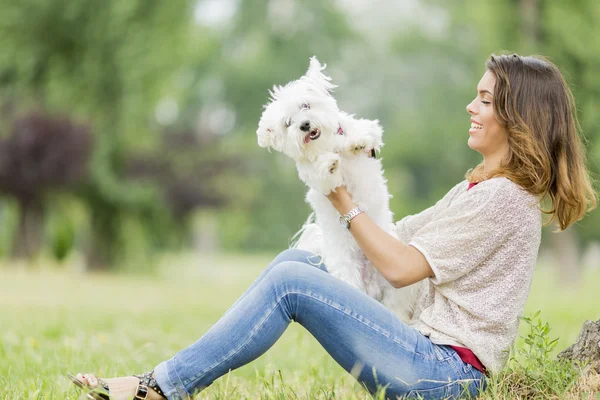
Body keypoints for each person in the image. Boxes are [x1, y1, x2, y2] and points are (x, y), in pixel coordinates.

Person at [70, 54, 597, 400]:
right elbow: (399, 232)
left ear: (518, 116)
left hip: (443, 376)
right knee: (300, 263)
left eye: (484, 100)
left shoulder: (505, 200)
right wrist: (341, 165)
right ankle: (163, 382)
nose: (470, 106)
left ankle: (159, 389)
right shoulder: (481, 187)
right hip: (426, 359)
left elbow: (398, 268)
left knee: (290, 283)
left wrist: (340, 197)